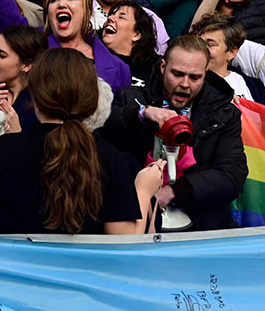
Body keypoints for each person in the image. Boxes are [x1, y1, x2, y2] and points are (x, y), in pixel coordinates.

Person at [0, 49, 141, 235]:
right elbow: (122, 241)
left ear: (36, 96)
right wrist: (143, 189)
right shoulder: (109, 156)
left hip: (13, 263)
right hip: (80, 265)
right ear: (91, 97)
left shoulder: (8, 148)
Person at [104, 34, 248, 231]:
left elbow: (232, 175)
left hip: (202, 227)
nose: (185, 84)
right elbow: (101, 130)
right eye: (177, 74)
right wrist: (141, 114)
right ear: (163, 68)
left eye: (194, 77)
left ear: (205, 74)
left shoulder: (224, 113)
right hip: (136, 222)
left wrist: (174, 192)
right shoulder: (132, 98)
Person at [101, 0, 161, 87]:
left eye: (121, 17)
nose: (110, 18)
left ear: (136, 34)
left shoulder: (155, 69)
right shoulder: (92, 55)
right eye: (111, 15)